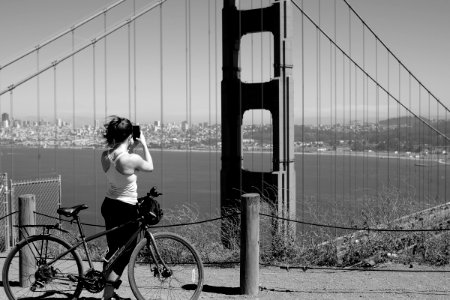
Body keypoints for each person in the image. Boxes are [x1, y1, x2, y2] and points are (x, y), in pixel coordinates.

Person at [100, 116, 153, 300]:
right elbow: (150, 166)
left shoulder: (106, 155)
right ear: (130, 135)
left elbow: (118, 169)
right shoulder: (131, 159)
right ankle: (106, 296)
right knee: (123, 256)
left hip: (109, 205)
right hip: (125, 208)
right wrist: (144, 144)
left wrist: (128, 144)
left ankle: (110, 290)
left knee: (113, 250)